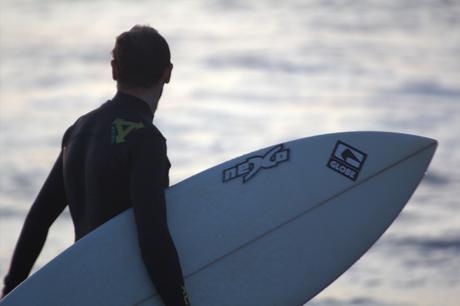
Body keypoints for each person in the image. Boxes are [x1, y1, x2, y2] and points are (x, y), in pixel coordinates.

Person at [2, 25, 191, 306]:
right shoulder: (146, 140)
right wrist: (179, 302)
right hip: (127, 291)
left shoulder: (78, 130)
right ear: (168, 72)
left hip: (86, 291)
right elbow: (153, 236)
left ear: (114, 69)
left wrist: (10, 291)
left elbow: (38, 220)